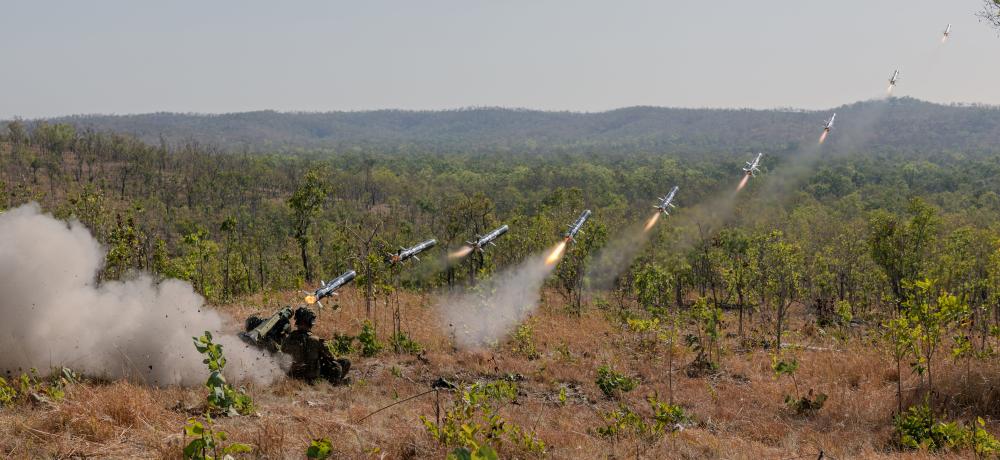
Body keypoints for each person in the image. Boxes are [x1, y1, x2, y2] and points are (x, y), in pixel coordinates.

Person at [281, 306, 351, 384]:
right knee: (343, 362)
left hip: (292, 375)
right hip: (310, 378)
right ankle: (338, 383)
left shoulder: (287, 339)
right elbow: (331, 358)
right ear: (310, 322)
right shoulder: (315, 340)